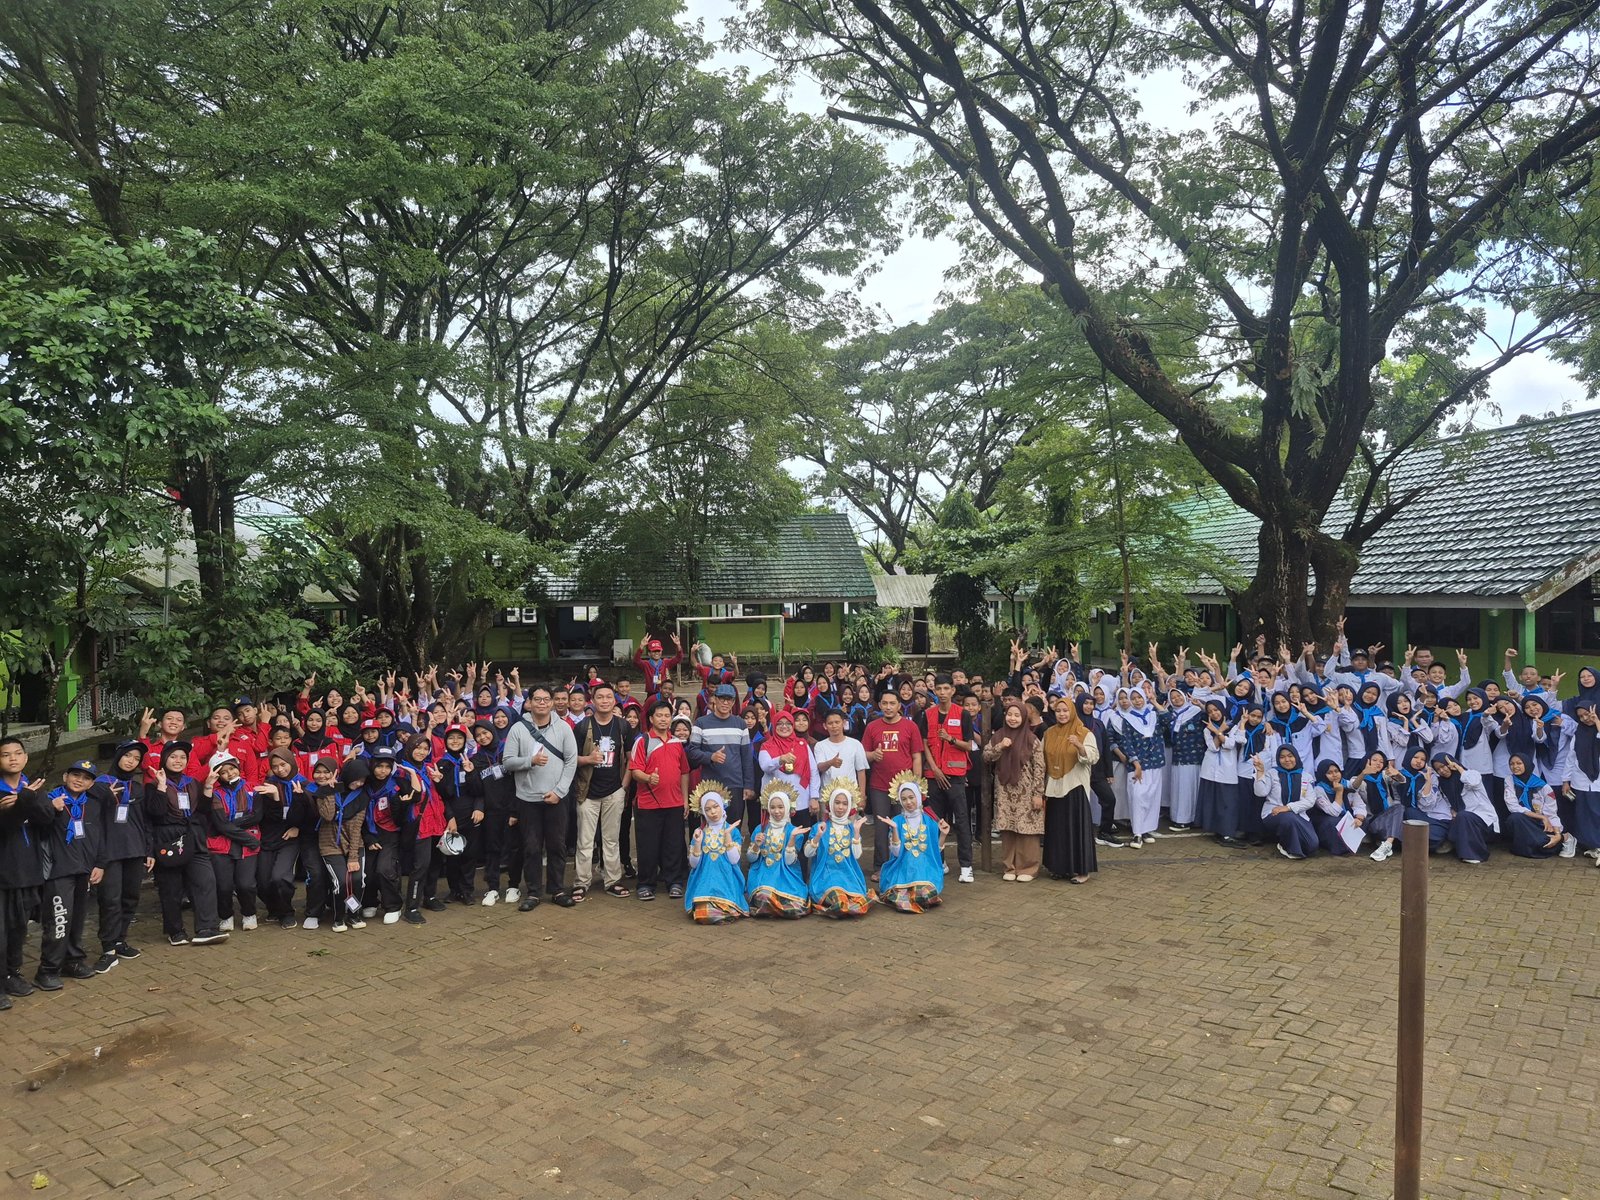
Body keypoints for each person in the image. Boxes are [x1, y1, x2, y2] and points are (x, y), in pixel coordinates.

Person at [502, 683, 578, 911]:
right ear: (530, 702)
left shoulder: (563, 728)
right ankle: (533, 892)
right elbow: (507, 762)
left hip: (556, 798)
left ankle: (557, 889)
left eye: (546, 699)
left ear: (553, 702)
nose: (542, 703)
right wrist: (529, 761)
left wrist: (559, 791)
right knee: (532, 847)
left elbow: (571, 761)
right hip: (528, 799)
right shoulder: (518, 729)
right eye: (537, 699)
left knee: (557, 845)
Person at [144, 743, 228, 947]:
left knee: (205, 880)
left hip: (192, 837)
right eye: (173, 757)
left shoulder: (193, 783)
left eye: (182, 757)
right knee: (171, 888)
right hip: (167, 837)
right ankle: (175, 931)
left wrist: (207, 787)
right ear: (164, 759)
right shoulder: (152, 785)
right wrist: (162, 786)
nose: (178, 760)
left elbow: (203, 811)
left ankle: (207, 927)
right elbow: (155, 813)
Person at [35, 759, 105, 990]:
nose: (79, 780)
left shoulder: (92, 804)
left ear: (91, 783)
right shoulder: (50, 799)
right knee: (58, 921)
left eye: (86, 778)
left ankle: (73, 961)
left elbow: (100, 836)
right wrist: (49, 810)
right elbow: (37, 830)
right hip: (59, 871)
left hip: (83, 870)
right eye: (75, 775)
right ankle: (48, 969)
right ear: (65, 776)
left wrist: (99, 864)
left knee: (76, 919)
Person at [92, 740, 152, 973]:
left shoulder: (137, 787)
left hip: (134, 850)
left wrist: (149, 849)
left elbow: (146, 822)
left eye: (136, 759)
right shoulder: (99, 785)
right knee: (110, 899)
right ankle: (107, 948)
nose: (131, 761)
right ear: (118, 757)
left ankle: (119, 940)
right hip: (109, 852)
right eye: (128, 756)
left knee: (130, 897)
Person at [572, 683, 633, 901]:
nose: (605, 700)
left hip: (614, 791)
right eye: (600, 697)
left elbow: (631, 759)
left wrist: (623, 787)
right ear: (593, 700)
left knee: (611, 839)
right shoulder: (582, 727)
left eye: (609, 697)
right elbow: (570, 759)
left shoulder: (623, 726)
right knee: (585, 840)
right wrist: (588, 759)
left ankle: (613, 880)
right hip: (587, 792)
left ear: (615, 700)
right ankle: (581, 882)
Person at [861, 691, 930, 877]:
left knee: (903, 826)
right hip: (879, 786)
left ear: (900, 705)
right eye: (884, 703)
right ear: (880, 705)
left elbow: (917, 756)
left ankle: (903, 865)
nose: (888, 707)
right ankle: (881, 867)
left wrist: (916, 786)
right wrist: (873, 756)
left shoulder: (910, 726)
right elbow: (863, 754)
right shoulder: (872, 727)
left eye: (892, 703)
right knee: (881, 829)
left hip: (905, 788)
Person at [628, 700, 691, 902]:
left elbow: (684, 772)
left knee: (673, 845)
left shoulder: (676, 743)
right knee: (648, 846)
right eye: (659, 716)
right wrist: (648, 778)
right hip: (648, 804)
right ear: (651, 718)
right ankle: (646, 883)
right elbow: (635, 770)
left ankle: (674, 882)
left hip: (674, 803)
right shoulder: (643, 741)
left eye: (666, 716)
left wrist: (684, 800)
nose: (663, 719)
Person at [923, 673, 976, 883]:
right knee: (936, 822)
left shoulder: (962, 714)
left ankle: (966, 866)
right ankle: (940, 862)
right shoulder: (927, 714)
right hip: (934, 776)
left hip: (955, 777)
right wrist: (934, 768)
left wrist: (951, 739)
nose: (943, 693)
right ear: (934, 691)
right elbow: (925, 743)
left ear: (953, 690)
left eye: (947, 689)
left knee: (961, 821)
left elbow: (969, 745)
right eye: (939, 689)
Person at [984, 698, 1046, 880]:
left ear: (1024, 717)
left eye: (1017, 715)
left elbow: (1040, 768)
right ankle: (1010, 867)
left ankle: (1028, 868)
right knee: (1008, 829)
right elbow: (986, 756)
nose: (1012, 718)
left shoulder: (1032, 739)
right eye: (1010, 714)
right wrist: (1000, 746)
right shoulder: (998, 736)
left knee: (1027, 830)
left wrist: (1038, 794)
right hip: (1005, 790)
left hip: (1027, 792)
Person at [1041, 694, 1099, 884]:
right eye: (1058, 711)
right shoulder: (1049, 733)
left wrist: (1080, 746)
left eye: (1065, 710)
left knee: (1076, 828)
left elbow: (1092, 757)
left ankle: (1081, 870)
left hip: (1075, 787)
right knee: (1057, 828)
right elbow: (1041, 758)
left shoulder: (1083, 732)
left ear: (1072, 711)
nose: (1062, 714)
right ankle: (1059, 867)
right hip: (1054, 787)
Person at [204, 752, 261, 932]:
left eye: (232, 768)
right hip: (223, 845)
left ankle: (249, 913)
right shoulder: (215, 794)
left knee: (246, 884)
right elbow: (220, 824)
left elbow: (257, 815)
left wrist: (227, 825)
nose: (230, 773)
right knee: (224, 885)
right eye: (224, 771)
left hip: (248, 845)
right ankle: (226, 916)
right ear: (217, 775)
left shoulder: (252, 788)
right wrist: (248, 838)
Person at [877, 773, 948, 912]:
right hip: (902, 869)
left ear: (918, 797)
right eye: (903, 799)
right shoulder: (896, 821)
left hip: (925, 870)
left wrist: (943, 835)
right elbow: (896, 853)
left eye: (911, 797)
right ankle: (909, 901)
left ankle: (915, 900)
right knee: (902, 896)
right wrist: (895, 829)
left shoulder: (929, 821)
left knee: (925, 893)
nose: (908, 802)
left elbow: (935, 851)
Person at [687, 683, 754, 829]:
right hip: (711, 787)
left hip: (735, 785)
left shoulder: (740, 724)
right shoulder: (701, 723)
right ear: (714, 700)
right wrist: (710, 757)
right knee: (712, 831)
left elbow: (746, 757)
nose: (725, 702)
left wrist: (748, 784)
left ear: (733, 702)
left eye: (729, 699)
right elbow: (692, 752)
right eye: (722, 698)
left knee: (734, 829)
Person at [804, 782, 870, 918]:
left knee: (856, 901)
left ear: (850, 806)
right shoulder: (820, 827)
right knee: (839, 900)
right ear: (830, 805)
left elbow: (856, 855)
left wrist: (856, 833)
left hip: (848, 876)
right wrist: (817, 837)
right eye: (837, 802)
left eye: (845, 803)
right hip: (825, 877)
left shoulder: (852, 828)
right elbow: (807, 853)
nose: (840, 807)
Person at [684, 785, 746, 924]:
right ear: (703, 813)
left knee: (724, 907)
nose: (713, 812)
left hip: (726, 878)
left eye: (715, 806)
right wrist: (698, 843)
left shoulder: (733, 831)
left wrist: (728, 837)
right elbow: (693, 864)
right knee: (703, 912)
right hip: (704, 880)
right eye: (707, 809)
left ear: (722, 806)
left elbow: (734, 860)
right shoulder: (699, 832)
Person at [745, 783, 809, 918]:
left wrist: (791, 839)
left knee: (793, 903)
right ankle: (776, 909)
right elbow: (750, 859)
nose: (777, 811)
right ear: (767, 809)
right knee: (764, 897)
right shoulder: (760, 829)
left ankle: (773, 909)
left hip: (787, 876)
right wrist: (756, 845)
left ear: (787, 807)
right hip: (763, 875)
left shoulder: (794, 831)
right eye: (772, 807)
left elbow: (789, 861)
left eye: (781, 807)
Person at [1253, 745, 1318, 860]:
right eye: (1282, 757)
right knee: (1288, 818)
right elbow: (1260, 792)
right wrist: (1260, 772)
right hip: (1273, 814)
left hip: (1298, 816)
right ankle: (1290, 848)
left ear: (1296, 757)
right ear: (1278, 759)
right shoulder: (1272, 773)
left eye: (1290, 756)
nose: (1287, 760)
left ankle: (1292, 843)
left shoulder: (1306, 776)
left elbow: (1310, 801)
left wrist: (1287, 807)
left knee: (1312, 845)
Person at [1430, 755, 1497, 864]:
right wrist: (1452, 811)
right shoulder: (1443, 784)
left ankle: (1475, 854)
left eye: (1443, 766)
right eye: (1438, 769)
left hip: (1482, 819)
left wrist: (1458, 768)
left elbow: (1473, 782)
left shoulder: (1471, 774)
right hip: (1462, 818)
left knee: (1463, 816)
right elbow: (1448, 802)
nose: (1442, 770)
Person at [1504, 753, 1563, 858]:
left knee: (1546, 841)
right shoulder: (1509, 780)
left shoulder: (1544, 787)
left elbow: (1551, 812)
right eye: (1511, 764)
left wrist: (1558, 834)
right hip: (1524, 821)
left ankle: (1564, 838)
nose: (1515, 767)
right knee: (1515, 818)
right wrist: (1541, 816)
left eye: (1519, 763)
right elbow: (1513, 806)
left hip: (1541, 825)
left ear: (1527, 764)